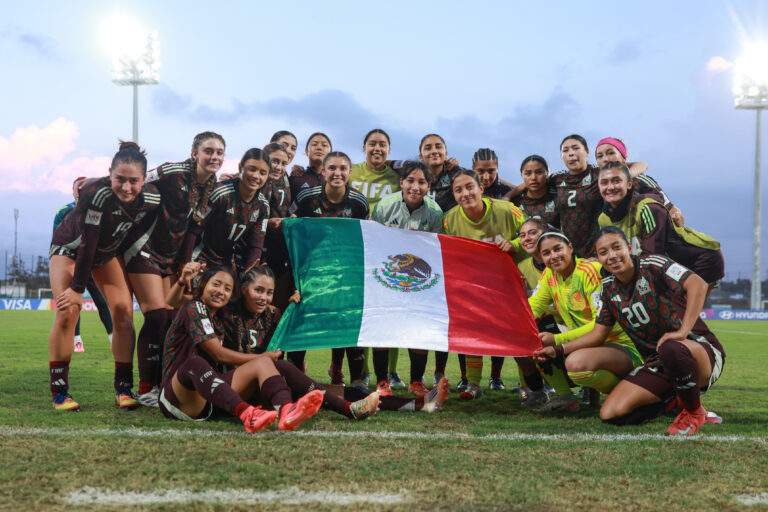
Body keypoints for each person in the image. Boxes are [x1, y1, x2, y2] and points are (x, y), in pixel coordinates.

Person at [539, 227, 725, 435]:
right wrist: (557, 349)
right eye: (603, 252)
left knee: (671, 348)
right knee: (610, 414)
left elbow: (697, 284)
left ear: (629, 248)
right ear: (598, 258)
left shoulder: (653, 264)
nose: (612, 255)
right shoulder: (608, 288)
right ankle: (673, 401)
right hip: (657, 362)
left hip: (698, 351)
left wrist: (683, 331)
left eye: (616, 247)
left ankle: (695, 412)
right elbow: (598, 334)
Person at [218, 265, 449, 416]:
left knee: (348, 391)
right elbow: (222, 356)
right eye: (258, 290)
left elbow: (291, 331)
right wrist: (262, 359)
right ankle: (347, 411)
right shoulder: (227, 313)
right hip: (238, 387)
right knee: (286, 368)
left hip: (268, 384)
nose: (263, 297)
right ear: (244, 289)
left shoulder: (273, 314)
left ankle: (421, 404)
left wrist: (294, 307)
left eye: (268, 293)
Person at [48, 141, 161, 411]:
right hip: (71, 248)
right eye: (119, 179)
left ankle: (123, 388)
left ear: (144, 180)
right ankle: (60, 392)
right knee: (68, 309)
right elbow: (87, 244)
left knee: (123, 310)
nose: (126, 187)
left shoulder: (154, 197)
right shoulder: (96, 193)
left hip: (104, 252)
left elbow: (176, 178)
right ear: (108, 173)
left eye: (134, 181)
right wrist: (76, 289)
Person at [122, 131, 225, 407]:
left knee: (169, 319)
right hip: (144, 247)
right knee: (156, 316)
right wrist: (95, 183)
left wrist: (183, 266)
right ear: (195, 153)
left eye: (219, 153)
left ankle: (160, 385)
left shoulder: (212, 187)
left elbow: (193, 229)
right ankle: (145, 389)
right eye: (208, 151)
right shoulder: (172, 172)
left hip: (171, 258)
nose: (214, 157)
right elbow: (133, 183)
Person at [161, 265, 325, 432]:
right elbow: (172, 302)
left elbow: (268, 309)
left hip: (207, 400)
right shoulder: (195, 307)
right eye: (216, 284)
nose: (220, 291)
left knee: (269, 365)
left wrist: (291, 304)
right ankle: (248, 413)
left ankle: (287, 410)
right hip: (176, 397)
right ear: (203, 284)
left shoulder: (219, 315)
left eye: (227, 289)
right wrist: (182, 280)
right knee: (195, 363)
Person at [441, 169, 539, 400]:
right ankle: (473, 385)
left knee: (518, 335)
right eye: (458, 190)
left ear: (481, 189)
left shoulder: (507, 210)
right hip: (475, 286)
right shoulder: (450, 219)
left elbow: (533, 233)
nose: (465, 193)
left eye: (469, 187)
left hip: (513, 282)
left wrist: (514, 243)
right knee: (474, 332)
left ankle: (528, 386)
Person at [528, 230, 643, 408]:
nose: (554, 256)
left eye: (558, 249)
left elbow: (602, 326)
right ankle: (565, 397)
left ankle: (632, 393)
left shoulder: (591, 271)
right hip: (585, 346)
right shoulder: (549, 275)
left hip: (621, 344)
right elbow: (532, 308)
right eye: (546, 253)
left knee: (576, 366)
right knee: (533, 333)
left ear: (570, 248)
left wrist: (557, 341)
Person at [293, 152, 369, 386]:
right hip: (311, 270)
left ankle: (352, 376)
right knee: (303, 317)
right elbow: (293, 227)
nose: (337, 173)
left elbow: (365, 238)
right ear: (323, 172)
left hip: (345, 271)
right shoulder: (307, 197)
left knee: (347, 318)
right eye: (332, 168)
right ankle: (297, 374)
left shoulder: (359, 202)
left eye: (343, 168)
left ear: (350, 172)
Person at [371, 160, 445, 396]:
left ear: (428, 186)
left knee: (419, 329)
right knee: (383, 328)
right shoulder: (385, 206)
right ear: (401, 182)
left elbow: (437, 249)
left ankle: (416, 381)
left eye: (421, 182)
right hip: (387, 276)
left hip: (420, 281)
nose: (415, 187)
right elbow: (373, 240)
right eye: (410, 181)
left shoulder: (435, 213)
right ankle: (382, 382)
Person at [597, 162, 724, 291]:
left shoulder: (648, 208)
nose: (610, 187)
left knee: (679, 309)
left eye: (616, 181)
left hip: (699, 262)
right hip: (665, 267)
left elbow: (653, 257)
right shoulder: (603, 219)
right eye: (604, 183)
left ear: (629, 184)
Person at [350, 129, 404, 388]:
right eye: (372, 143)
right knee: (364, 309)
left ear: (389, 150)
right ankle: (363, 370)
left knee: (389, 309)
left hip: (387, 248)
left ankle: (392, 371)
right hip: (357, 247)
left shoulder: (397, 175)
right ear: (364, 147)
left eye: (382, 144)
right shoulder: (352, 170)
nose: (377, 148)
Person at [512, 218, 574, 408]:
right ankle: (539, 391)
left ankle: (586, 390)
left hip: (575, 327)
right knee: (519, 333)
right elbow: (529, 307)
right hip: (547, 327)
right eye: (522, 235)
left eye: (532, 233)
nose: (527, 238)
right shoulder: (522, 267)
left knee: (539, 328)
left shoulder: (572, 263)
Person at [550, 135, 647, 257]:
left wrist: (669, 206)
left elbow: (641, 165)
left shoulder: (600, 172)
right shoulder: (556, 179)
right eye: (565, 150)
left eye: (575, 148)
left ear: (587, 152)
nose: (571, 153)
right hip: (570, 253)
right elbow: (531, 185)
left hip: (597, 251)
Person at [52, 191, 114, 353]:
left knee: (101, 302)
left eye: (83, 189)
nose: (79, 193)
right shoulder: (63, 211)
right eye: (77, 190)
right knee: (73, 304)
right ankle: (77, 341)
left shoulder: (97, 210)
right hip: (72, 263)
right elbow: (57, 238)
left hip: (91, 264)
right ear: (73, 192)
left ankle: (113, 338)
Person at [196, 148, 270, 276]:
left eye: (263, 173)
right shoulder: (220, 193)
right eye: (252, 169)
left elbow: (256, 243)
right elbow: (194, 227)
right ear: (241, 167)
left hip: (226, 264)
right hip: (199, 257)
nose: (256, 176)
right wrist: (184, 262)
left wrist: (250, 270)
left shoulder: (263, 206)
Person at [593, 137, 684, 226]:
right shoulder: (598, 182)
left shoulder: (641, 180)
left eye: (611, 153)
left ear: (624, 159)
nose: (605, 159)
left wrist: (676, 216)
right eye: (600, 156)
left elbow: (671, 210)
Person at [419, 133, 464, 211]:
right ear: (421, 157)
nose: (434, 151)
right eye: (428, 148)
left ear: (446, 154)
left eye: (438, 147)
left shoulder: (458, 174)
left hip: (449, 221)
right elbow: (391, 163)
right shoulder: (412, 173)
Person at [512, 155, 559, 228]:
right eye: (528, 173)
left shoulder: (559, 197)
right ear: (522, 175)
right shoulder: (515, 203)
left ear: (547, 173)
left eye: (539, 172)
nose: (533, 178)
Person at [289, 132, 331, 203]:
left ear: (330, 153)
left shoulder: (336, 180)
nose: (319, 148)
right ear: (306, 152)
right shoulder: (296, 177)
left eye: (324, 145)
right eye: (314, 144)